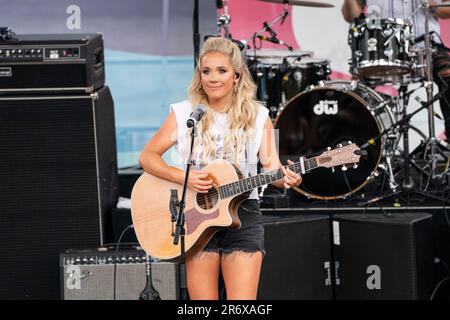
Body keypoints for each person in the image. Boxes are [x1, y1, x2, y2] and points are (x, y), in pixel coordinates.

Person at [139, 37, 302, 300]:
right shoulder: (185, 114)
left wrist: (288, 178)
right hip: (195, 216)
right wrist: (184, 177)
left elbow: (273, 168)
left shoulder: (259, 116)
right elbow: (148, 157)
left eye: (222, 71)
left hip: (243, 214)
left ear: (236, 76)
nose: (212, 78)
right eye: (206, 71)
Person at [342, 0, 450, 140]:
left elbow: (447, 9)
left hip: (426, 46)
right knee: (358, 92)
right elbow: (351, 16)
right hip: (380, 47)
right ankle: (362, 147)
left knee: (448, 75)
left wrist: (434, 6)